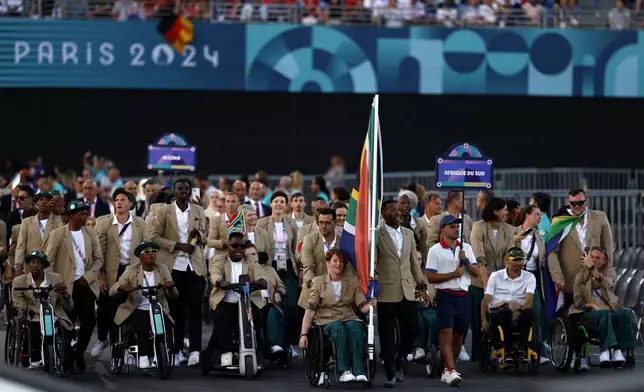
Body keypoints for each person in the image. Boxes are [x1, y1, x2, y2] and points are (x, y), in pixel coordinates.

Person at [150, 179, 207, 367]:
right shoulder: (163, 211)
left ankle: (196, 351)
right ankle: (176, 350)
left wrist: (197, 236)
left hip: (195, 267)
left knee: (195, 312)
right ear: (174, 192)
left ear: (190, 192)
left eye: (187, 188)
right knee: (176, 311)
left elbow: (205, 237)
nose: (184, 191)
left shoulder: (198, 210)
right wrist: (177, 245)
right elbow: (154, 237)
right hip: (173, 267)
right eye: (180, 188)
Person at [43, 200, 103, 372]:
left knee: (89, 321)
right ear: (72, 216)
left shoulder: (91, 234)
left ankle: (79, 353)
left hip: (85, 284)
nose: (86, 216)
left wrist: (88, 276)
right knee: (67, 323)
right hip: (64, 287)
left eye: (86, 213)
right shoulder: (58, 234)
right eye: (82, 213)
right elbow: (49, 261)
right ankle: (68, 358)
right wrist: (55, 282)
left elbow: (99, 259)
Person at [300, 249, 375, 385]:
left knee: (355, 328)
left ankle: (359, 371)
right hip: (327, 319)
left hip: (348, 317)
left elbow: (362, 306)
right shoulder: (319, 282)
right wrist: (303, 334)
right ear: (328, 263)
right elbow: (310, 310)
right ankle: (344, 371)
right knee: (338, 328)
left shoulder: (352, 282)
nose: (338, 264)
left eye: (341, 261)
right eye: (335, 260)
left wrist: (371, 304)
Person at [376, 200, 429, 388]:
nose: (398, 212)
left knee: (413, 328)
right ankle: (390, 371)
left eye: (399, 210)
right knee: (387, 335)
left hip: (408, 289)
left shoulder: (408, 233)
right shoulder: (376, 234)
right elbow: (372, 262)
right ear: (383, 213)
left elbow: (414, 262)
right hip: (386, 291)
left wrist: (422, 285)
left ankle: (400, 358)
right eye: (392, 210)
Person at [92, 188, 149, 359]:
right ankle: (103, 339)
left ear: (131, 204)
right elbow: (98, 253)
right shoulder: (103, 223)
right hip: (110, 272)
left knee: (131, 308)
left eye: (123, 199)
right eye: (117, 199)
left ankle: (128, 348)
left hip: (132, 271)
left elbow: (146, 249)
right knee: (106, 308)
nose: (119, 202)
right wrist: (100, 277)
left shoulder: (141, 224)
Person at [426, 215, 479, 387]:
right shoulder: (435, 250)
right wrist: (451, 275)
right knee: (446, 333)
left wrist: (465, 261)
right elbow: (431, 277)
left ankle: (448, 369)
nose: (456, 229)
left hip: (463, 296)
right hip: (445, 295)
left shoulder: (466, 248)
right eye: (452, 226)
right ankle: (451, 369)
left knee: (459, 335)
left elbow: (476, 272)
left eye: (457, 226)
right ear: (443, 230)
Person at [109, 241, 178, 369]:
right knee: (142, 326)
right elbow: (112, 290)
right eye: (147, 252)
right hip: (137, 307)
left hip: (158, 307)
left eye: (153, 252)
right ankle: (143, 356)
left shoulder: (162, 269)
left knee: (163, 327)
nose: (151, 255)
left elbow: (174, 295)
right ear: (140, 256)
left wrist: (170, 287)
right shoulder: (131, 270)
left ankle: (160, 355)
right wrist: (122, 287)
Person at [205, 232, 267, 368]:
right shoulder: (219, 259)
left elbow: (260, 274)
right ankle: (225, 353)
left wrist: (261, 281)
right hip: (226, 300)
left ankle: (257, 352)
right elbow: (215, 275)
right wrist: (221, 282)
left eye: (242, 246)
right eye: (235, 246)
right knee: (223, 318)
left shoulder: (251, 260)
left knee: (256, 318)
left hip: (248, 301)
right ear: (228, 246)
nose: (239, 249)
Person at [469, 197, 519, 362]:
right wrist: (486, 285)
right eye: (504, 210)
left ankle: (502, 349)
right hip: (480, 279)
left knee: (503, 315)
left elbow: (510, 256)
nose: (507, 212)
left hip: (501, 279)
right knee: (479, 321)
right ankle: (478, 354)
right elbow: (479, 258)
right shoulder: (478, 227)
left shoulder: (510, 229)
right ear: (494, 211)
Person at [570, 246, 635, 369]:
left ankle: (619, 351)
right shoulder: (580, 275)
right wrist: (592, 305)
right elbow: (577, 301)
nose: (594, 260)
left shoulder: (610, 272)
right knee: (604, 314)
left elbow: (606, 284)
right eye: (592, 257)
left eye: (598, 258)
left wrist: (593, 269)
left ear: (604, 261)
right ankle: (607, 350)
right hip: (587, 313)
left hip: (607, 309)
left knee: (626, 313)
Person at [548, 189, 614, 307]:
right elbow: (552, 252)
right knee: (571, 318)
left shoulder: (600, 217)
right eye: (573, 204)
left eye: (580, 203)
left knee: (599, 316)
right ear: (569, 203)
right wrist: (557, 277)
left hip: (595, 278)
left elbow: (608, 247)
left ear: (586, 201)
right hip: (570, 280)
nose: (576, 206)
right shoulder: (560, 222)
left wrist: (607, 273)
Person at [12, 251, 73, 369]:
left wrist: (65, 294)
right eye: (32, 262)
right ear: (29, 264)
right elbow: (18, 302)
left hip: (54, 315)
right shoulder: (20, 281)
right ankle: (35, 358)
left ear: (44, 266)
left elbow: (69, 306)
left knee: (66, 338)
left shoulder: (56, 278)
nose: (35, 265)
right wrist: (22, 312)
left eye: (38, 263)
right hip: (34, 316)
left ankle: (63, 358)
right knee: (34, 328)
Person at [256, 191, 300, 355]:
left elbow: (295, 247)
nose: (279, 204)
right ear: (271, 204)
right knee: (270, 304)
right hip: (270, 266)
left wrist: (300, 269)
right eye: (276, 201)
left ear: (286, 204)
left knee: (290, 306)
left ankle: (289, 344)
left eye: (282, 201)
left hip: (288, 267)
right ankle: (272, 342)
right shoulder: (262, 223)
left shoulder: (291, 223)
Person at [481, 248, 536, 365]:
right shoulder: (496, 276)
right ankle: (508, 350)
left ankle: (524, 349)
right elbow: (486, 300)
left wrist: (518, 310)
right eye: (514, 260)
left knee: (529, 313)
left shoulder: (529, 277)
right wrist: (484, 319)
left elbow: (529, 301)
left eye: (520, 260)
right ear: (507, 261)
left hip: (519, 310)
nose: (517, 263)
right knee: (505, 313)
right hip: (499, 310)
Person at [514, 205, 550, 364]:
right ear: (527, 215)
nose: (539, 217)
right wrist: (513, 241)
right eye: (536, 214)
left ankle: (539, 349)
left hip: (532, 278)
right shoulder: (513, 232)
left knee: (535, 312)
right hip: (514, 277)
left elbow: (541, 258)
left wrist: (542, 263)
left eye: (540, 214)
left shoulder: (539, 237)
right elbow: (502, 254)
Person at [298, 208, 347, 309]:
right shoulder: (309, 239)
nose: (323, 226)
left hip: (340, 291)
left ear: (335, 223)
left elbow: (349, 266)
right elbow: (308, 267)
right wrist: (317, 287)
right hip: (315, 291)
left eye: (327, 223)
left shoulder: (344, 238)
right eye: (320, 223)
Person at [14, 191, 63, 275]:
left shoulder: (59, 220)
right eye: (41, 199)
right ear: (36, 203)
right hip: (31, 269)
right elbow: (20, 246)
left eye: (47, 199)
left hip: (53, 270)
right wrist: (18, 267)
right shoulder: (26, 222)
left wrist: (58, 209)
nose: (44, 202)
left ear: (52, 203)